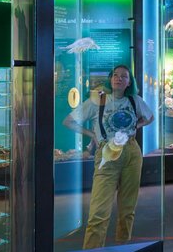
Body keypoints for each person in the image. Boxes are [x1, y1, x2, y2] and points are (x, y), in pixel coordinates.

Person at [63, 65, 154, 249]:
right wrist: (92, 134)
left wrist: (135, 127)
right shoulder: (98, 100)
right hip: (107, 154)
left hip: (131, 152)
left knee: (128, 208)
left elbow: (150, 117)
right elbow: (69, 121)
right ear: (110, 79)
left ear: (129, 82)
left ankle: (124, 245)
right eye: (115, 75)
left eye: (124, 76)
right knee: (98, 213)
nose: (118, 78)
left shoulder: (135, 100)